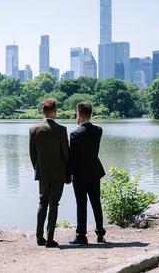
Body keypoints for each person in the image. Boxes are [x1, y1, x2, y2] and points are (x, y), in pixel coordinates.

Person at [29, 98, 69, 248]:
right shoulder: (61, 129)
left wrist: (38, 169)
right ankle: (50, 239)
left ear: (43, 112)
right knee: (54, 204)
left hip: (43, 173)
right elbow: (66, 154)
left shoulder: (34, 130)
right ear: (54, 112)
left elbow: (32, 154)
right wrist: (67, 173)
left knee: (42, 203)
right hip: (58, 173)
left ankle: (39, 237)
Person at [68, 102, 106, 245]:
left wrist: (68, 174)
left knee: (81, 204)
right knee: (96, 203)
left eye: (77, 114)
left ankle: (81, 235)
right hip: (95, 172)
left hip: (80, 174)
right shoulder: (99, 130)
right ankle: (100, 234)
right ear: (90, 114)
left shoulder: (75, 134)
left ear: (79, 115)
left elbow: (73, 158)